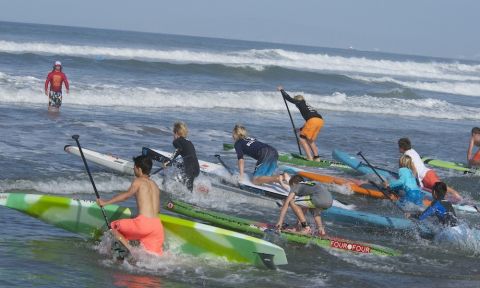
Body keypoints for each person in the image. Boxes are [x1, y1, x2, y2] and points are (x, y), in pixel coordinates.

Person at [96, 155, 164, 256]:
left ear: (139, 169)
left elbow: (126, 196)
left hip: (143, 225)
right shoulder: (155, 185)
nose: (133, 169)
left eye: (134, 167)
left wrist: (105, 203)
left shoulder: (138, 181)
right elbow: (157, 209)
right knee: (152, 257)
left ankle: (131, 250)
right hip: (157, 227)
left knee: (113, 227)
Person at [398, 137, 462, 202]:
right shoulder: (412, 150)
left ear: (401, 147)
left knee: (444, 190)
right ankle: (454, 200)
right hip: (427, 174)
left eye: (399, 147)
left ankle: (461, 200)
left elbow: (415, 170)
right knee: (441, 193)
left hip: (427, 177)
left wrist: (416, 182)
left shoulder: (407, 156)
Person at [277, 86, 324, 161]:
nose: (296, 105)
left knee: (302, 139)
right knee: (310, 140)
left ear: (297, 100)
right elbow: (310, 122)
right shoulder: (306, 105)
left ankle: (309, 157)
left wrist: (282, 90)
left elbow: (289, 99)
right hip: (320, 120)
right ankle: (316, 157)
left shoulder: (299, 101)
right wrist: (300, 129)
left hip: (312, 121)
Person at [164, 122, 200, 192]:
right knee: (188, 187)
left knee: (187, 190)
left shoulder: (176, 141)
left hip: (190, 168)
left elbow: (179, 149)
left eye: (173, 133)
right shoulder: (189, 142)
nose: (173, 135)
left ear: (176, 133)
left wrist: (169, 161)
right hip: (196, 169)